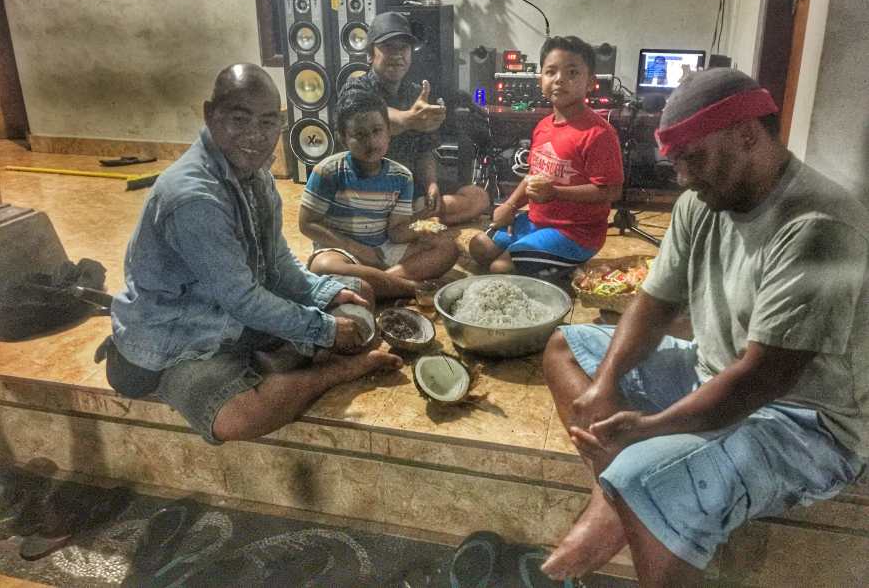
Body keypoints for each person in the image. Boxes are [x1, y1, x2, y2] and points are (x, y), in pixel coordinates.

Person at [540, 68, 869, 585]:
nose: (684, 178)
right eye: (676, 163)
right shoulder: (703, 201)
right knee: (565, 347)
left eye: (694, 158)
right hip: (710, 370)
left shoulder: (817, 227)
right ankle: (608, 512)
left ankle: (582, 547)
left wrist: (648, 432)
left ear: (746, 135)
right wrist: (604, 386)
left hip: (805, 424)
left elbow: (760, 381)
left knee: (638, 474)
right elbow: (651, 303)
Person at [102, 63, 402, 444]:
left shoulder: (254, 172)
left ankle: (279, 363)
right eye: (239, 120)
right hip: (180, 338)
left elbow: (277, 262)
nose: (256, 137)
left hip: (231, 317)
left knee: (356, 289)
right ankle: (332, 372)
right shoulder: (193, 198)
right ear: (210, 114)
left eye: (266, 123)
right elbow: (242, 299)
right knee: (239, 418)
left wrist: (325, 294)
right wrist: (323, 329)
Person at [468, 36, 623, 278]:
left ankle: (570, 266)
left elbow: (611, 191)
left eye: (572, 72)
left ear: (591, 82)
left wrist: (556, 192)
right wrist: (509, 206)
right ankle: (542, 257)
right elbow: (533, 176)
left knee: (501, 268)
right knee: (479, 248)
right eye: (550, 71)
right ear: (540, 78)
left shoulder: (599, 133)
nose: (559, 79)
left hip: (577, 234)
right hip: (536, 220)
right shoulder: (543, 126)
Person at [300, 90, 460, 298]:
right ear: (343, 138)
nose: (371, 141)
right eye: (360, 135)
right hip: (341, 250)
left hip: (383, 249)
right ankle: (409, 288)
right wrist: (356, 248)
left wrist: (420, 227)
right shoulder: (328, 171)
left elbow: (396, 232)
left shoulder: (402, 176)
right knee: (322, 267)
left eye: (377, 131)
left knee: (448, 248)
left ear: (389, 132)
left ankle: (380, 282)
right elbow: (307, 224)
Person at [341, 11, 490, 225]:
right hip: (369, 189)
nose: (397, 54)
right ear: (370, 54)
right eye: (388, 47)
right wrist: (411, 118)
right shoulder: (355, 88)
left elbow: (424, 151)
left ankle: (406, 216)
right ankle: (400, 218)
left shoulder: (414, 93)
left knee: (479, 197)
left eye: (403, 47)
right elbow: (376, 118)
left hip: (410, 187)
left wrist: (431, 185)